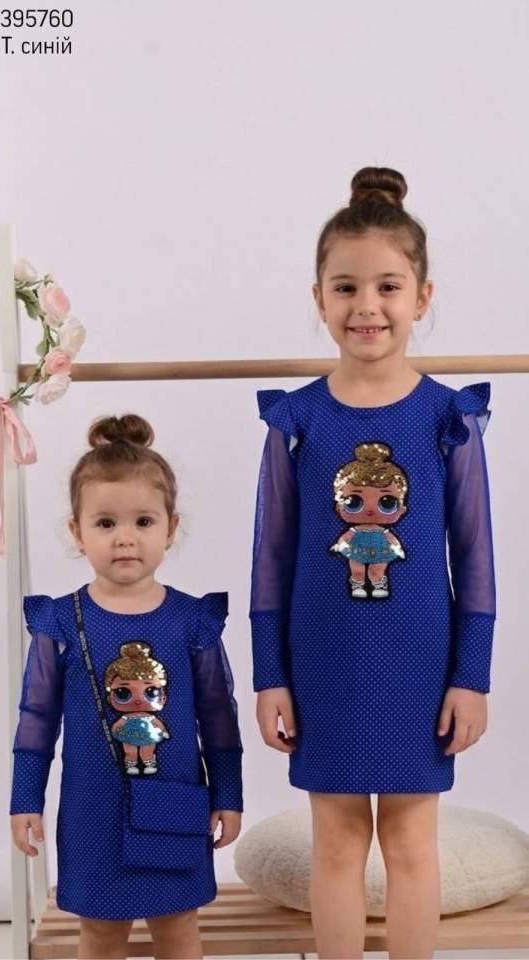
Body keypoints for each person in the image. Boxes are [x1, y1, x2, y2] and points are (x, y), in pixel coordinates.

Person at [250, 166, 495, 960]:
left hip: (420, 664)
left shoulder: (448, 417)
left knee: (412, 845)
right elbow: (270, 558)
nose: (366, 306)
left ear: (421, 297)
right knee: (337, 842)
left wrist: (471, 676)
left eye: (387, 287)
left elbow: (474, 555)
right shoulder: (295, 420)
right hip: (321, 663)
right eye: (345, 287)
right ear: (318, 297)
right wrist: (269, 675)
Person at [10, 414, 243, 960]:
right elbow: (36, 720)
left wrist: (228, 794)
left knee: (178, 929)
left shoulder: (193, 622)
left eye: (143, 521)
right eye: (105, 522)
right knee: (100, 934)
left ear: (170, 527)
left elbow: (218, 718)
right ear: (77, 531)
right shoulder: (58, 623)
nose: (125, 538)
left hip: (174, 804)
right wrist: (25, 798)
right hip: (91, 812)